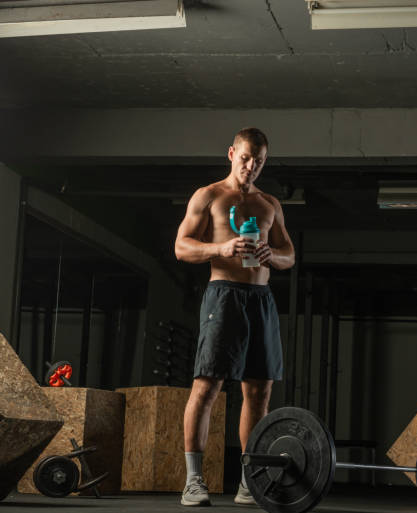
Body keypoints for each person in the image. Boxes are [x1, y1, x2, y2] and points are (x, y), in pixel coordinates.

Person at [174, 127, 295, 506]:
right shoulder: (208, 195)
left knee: (259, 392)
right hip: (223, 294)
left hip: (260, 298)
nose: (251, 167)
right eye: (245, 158)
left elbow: (289, 255)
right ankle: (194, 481)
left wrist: (270, 257)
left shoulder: (270, 204)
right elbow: (181, 247)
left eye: (258, 161)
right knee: (207, 387)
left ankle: (250, 481)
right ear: (231, 153)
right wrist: (222, 247)